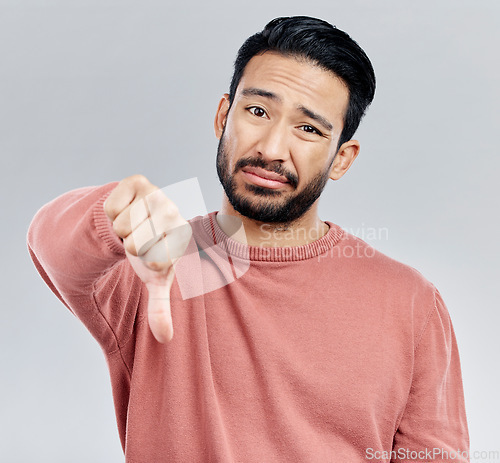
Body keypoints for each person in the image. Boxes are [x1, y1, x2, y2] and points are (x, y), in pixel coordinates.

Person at [27, 15, 470, 463]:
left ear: (342, 159)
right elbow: (47, 241)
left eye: (309, 128)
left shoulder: (410, 303)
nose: (272, 148)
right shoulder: (162, 258)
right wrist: (112, 216)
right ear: (224, 115)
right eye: (257, 111)